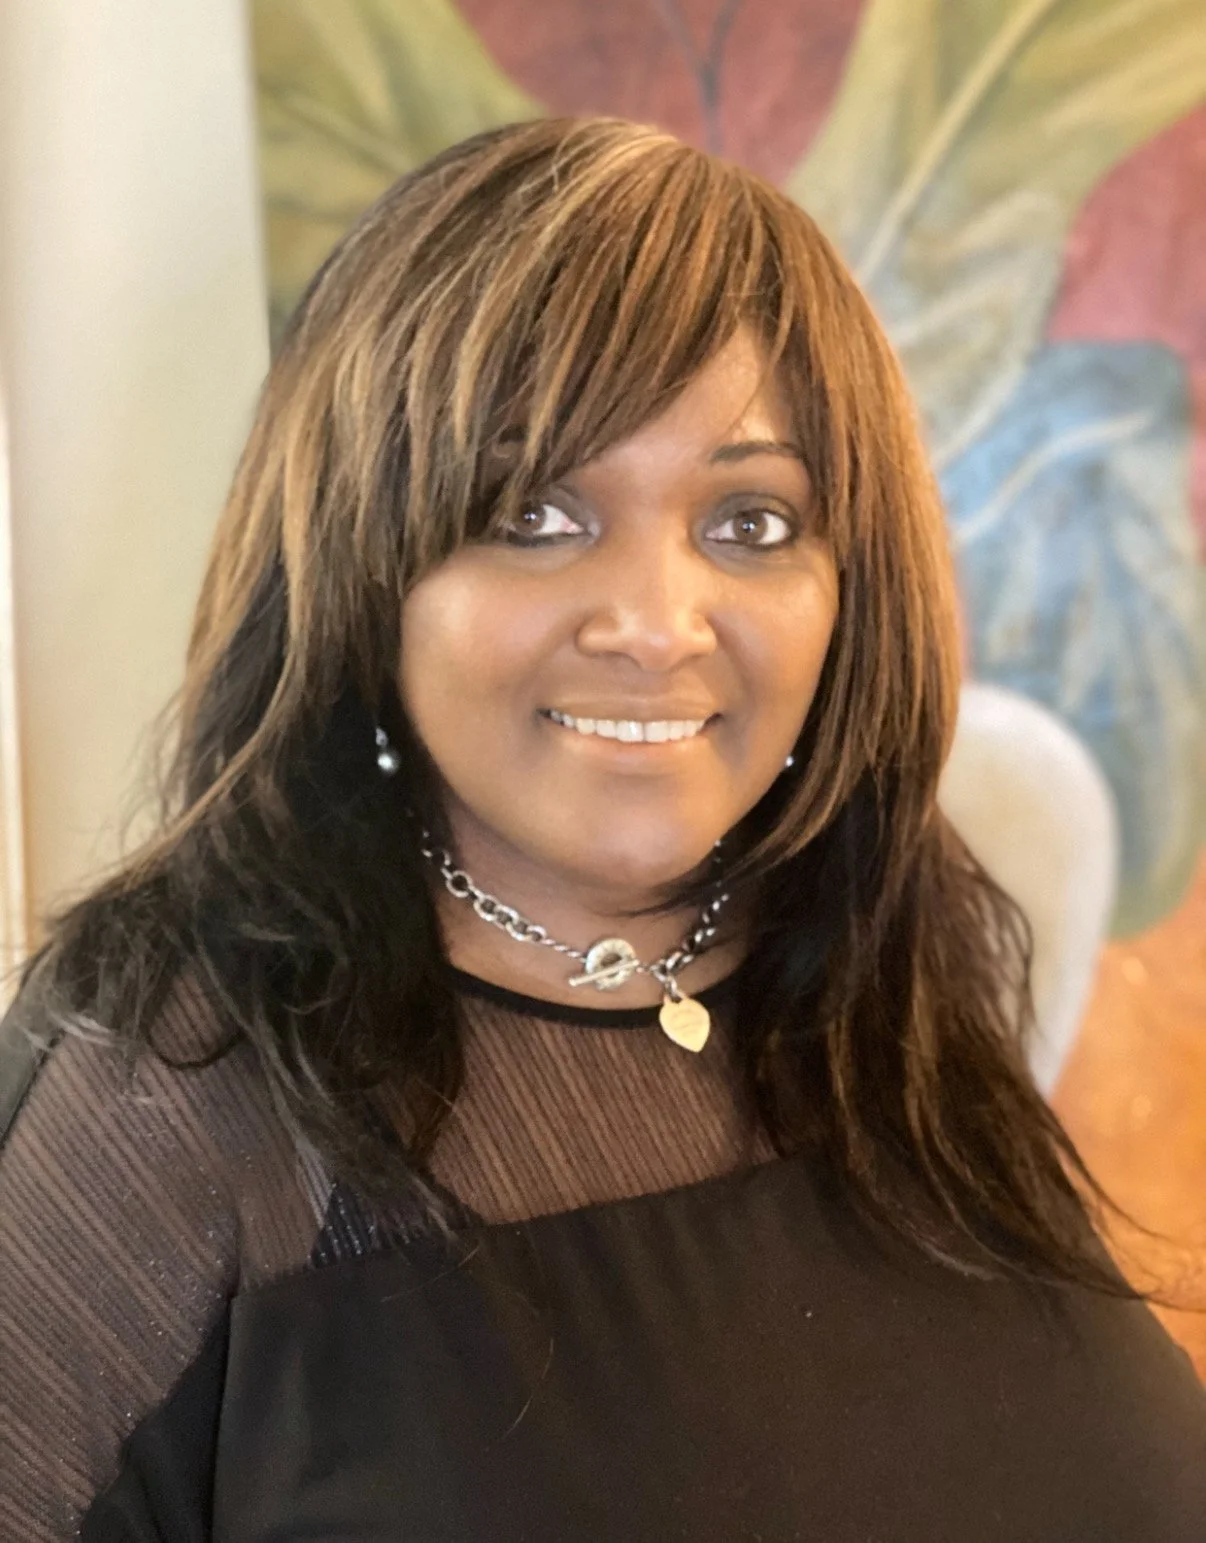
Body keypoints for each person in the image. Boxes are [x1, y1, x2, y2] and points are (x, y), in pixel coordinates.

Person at [0, 116, 1202, 1542]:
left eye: (749, 521)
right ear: (366, 568)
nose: (652, 623)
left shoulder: (881, 957)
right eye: (533, 508)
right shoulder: (181, 1085)